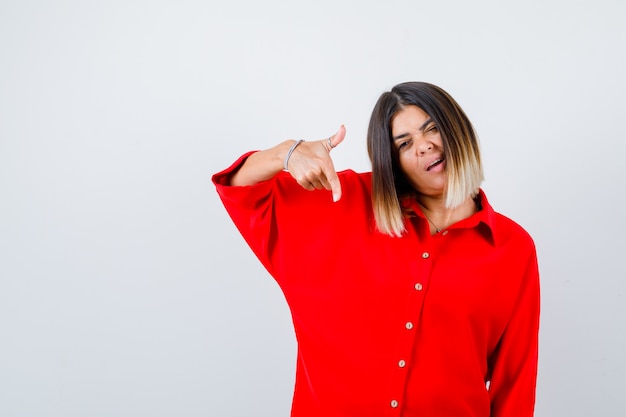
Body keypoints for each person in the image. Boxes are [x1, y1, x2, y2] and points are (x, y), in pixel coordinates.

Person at [212, 81, 540, 417]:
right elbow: (243, 191)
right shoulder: (343, 201)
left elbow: (515, 384)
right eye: (404, 143)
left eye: (433, 129)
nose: (424, 147)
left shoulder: (513, 248)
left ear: (459, 132)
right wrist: (287, 153)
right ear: (392, 162)